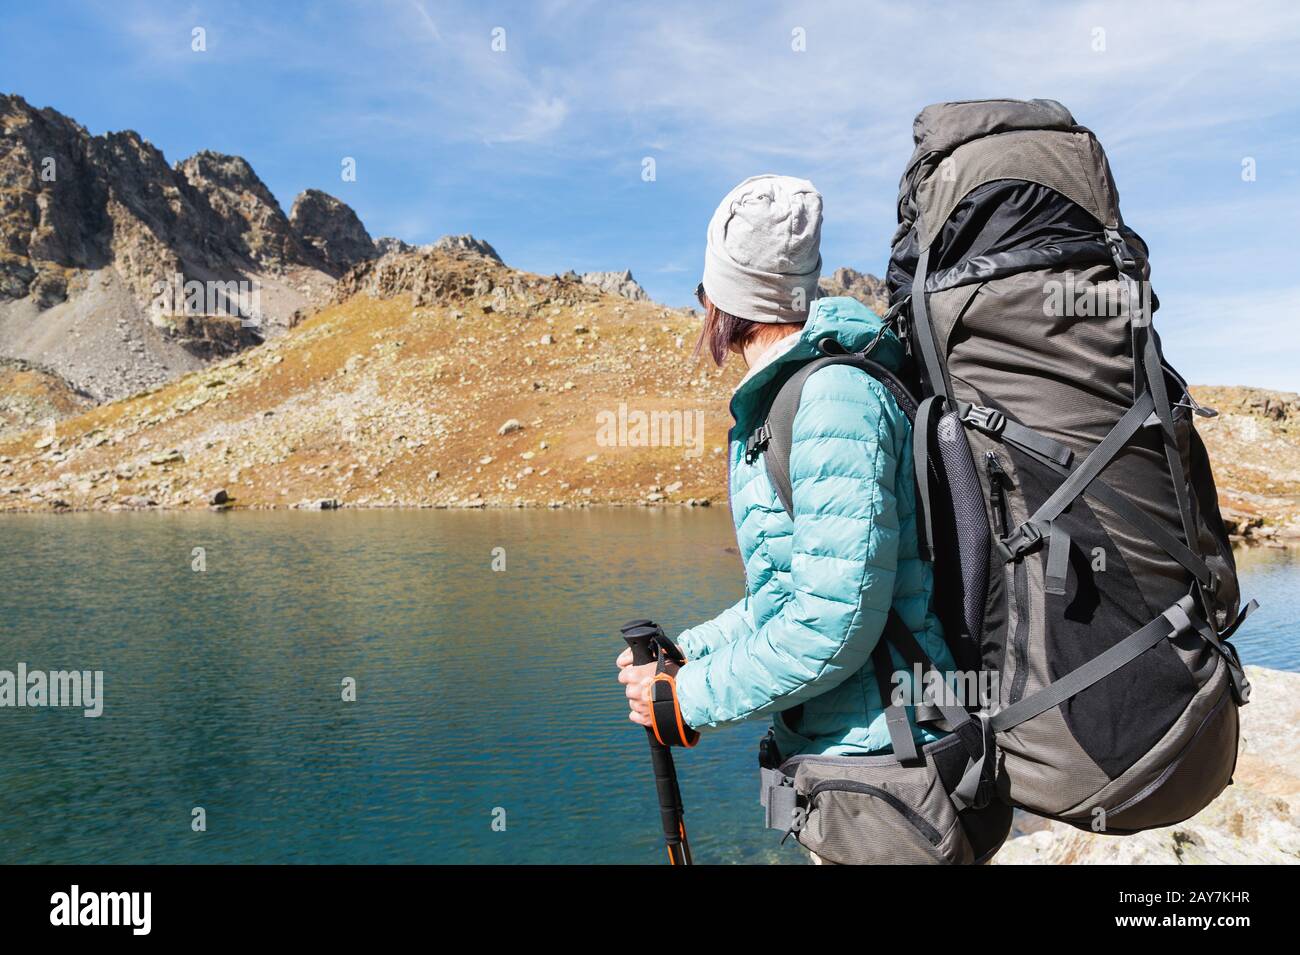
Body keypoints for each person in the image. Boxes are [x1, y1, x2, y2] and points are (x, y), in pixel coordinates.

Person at [616, 174, 952, 782]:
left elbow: (835, 620)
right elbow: (787, 593)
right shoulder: (789, 400)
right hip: (851, 751)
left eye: (704, 291)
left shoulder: (832, 398)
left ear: (722, 301)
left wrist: (686, 699)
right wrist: (689, 653)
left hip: (889, 756)